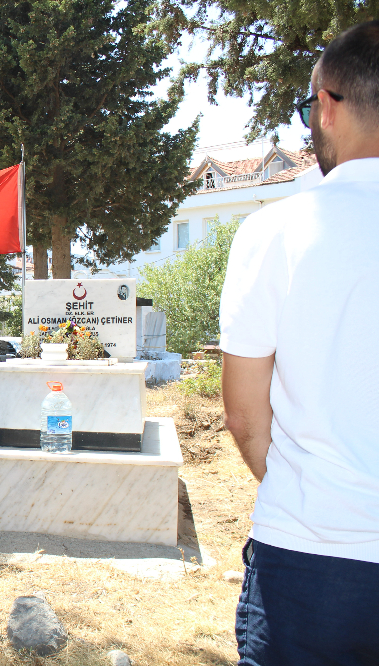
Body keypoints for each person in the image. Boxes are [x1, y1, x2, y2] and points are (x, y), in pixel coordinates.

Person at [220, 21, 379, 664]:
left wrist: (298, 481)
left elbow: (243, 410)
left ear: (328, 105)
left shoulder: (277, 232)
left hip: (311, 557)